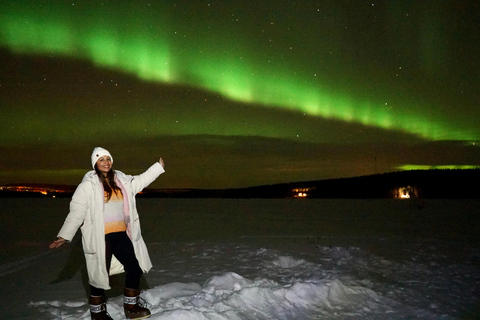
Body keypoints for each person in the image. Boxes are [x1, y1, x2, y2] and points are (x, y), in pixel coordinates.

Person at [49, 147, 165, 320]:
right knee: (99, 275)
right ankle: (98, 314)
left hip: (121, 234)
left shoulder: (122, 181)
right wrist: (64, 235)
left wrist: (157, 167)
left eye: (108, 159)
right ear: (95, 163)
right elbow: (77, 212)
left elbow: (141, 181)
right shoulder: (87, 185)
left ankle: (131, 307)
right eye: (101, 159)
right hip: (101, 237)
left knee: (135, 268)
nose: (106, 162)